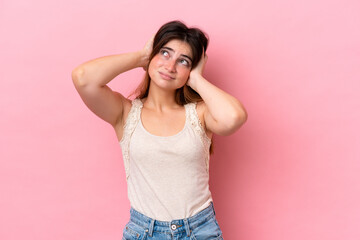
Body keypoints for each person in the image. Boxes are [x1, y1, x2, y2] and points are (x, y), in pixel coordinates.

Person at [72, 20, 247, 240]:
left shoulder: (200, 114)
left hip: (200, 231)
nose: (170, 66)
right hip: (145, 232)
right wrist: (141, 58)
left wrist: (196, 79)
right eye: (165, 53)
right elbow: (83, 78)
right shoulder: (125, 114)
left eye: (183, 61)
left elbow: (234, 117)